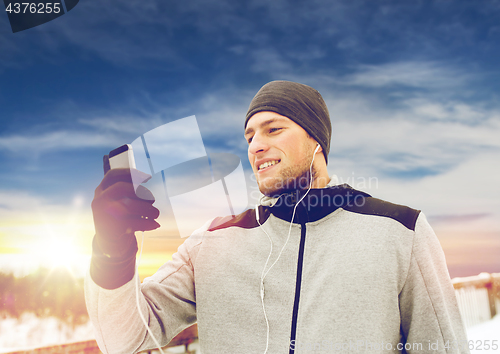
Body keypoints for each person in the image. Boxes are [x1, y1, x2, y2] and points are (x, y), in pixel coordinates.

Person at [85, 81, 469, 354]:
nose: (256, 145)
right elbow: (123, 339)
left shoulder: (400, 230)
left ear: (316, 141)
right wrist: (111, 248)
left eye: (273, 128)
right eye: (250, 135)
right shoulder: (213, 242)